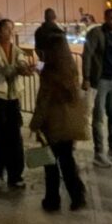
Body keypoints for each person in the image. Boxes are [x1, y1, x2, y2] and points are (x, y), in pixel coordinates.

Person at [29, 35, 87, 212]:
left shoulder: (50, 74)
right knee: (68, 161)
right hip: (68, 123)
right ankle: (77, 197)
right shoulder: (70, 69)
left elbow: (43, 102)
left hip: (52, 124)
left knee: (50, 164)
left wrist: (35, 124)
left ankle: (52, 200)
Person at [0, 18, 35, 188]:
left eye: (11, 29)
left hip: (13, 97)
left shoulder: (16, 49)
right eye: (7, 29)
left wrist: (26, 67)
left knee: (15, 136)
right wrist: (20, 69)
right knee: (1, 136)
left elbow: (22, 60)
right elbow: (1, 67)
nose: (10, 32)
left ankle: (15, 175)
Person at [82, 8, 112, 168]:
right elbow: (87, 54)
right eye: (111, 19)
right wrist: (87, 77)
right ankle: (99, 152)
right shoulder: (96, 33)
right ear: (105, 18)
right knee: (98, 117)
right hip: (100, 80)